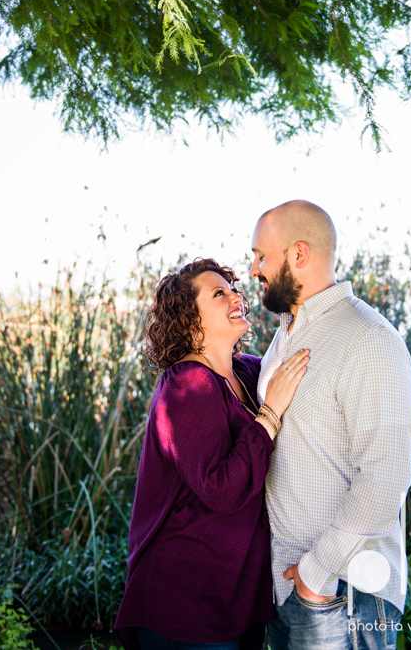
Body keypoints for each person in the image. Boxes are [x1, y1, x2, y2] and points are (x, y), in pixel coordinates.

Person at [114, 258, 310, 650]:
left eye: (232, 288)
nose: (235, 296)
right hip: (185, 601)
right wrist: (269, 416)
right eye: (218, 293)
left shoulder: (247, 375)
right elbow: (221, 490)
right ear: (189, 320)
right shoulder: (188, 384)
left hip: (237, 595)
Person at [250, 200, 411, 650]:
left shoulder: (367, 338)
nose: (253, 269)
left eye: (260, 255)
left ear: (298, 254)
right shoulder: (285, 336)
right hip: (288, 592)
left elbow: (386, 479)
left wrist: (315, 574)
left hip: (343, 597)